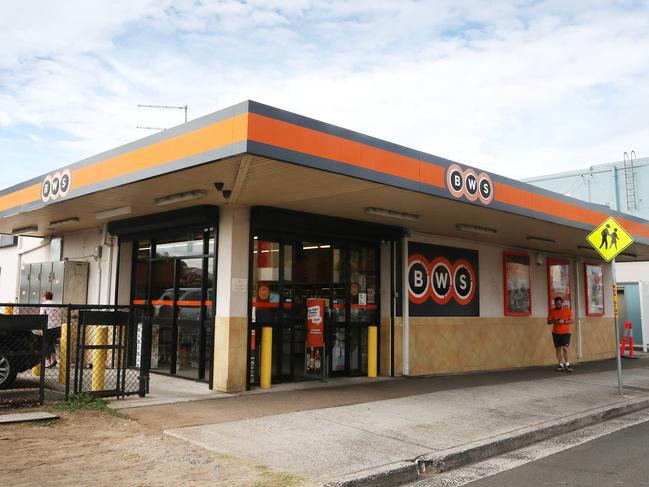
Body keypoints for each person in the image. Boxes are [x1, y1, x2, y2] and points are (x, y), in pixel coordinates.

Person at [547, 296, 574, 372]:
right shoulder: (552, 311)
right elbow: (548, 322)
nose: (558, 305)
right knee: (558, 349)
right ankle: (560, 365)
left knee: (565, 348)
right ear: (554, 304)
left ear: (561, 303)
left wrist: (564, 321)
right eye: (556, 303)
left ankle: (568, 365)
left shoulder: (567, 310)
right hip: (556, 333)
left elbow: (572, 321)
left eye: (559, 303)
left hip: (566, 332)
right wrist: (554, 321)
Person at [40, 291, 60, 368]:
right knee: (52, 344)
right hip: (57, 327)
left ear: (45, 297)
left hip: (49, 326)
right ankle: (54, 360)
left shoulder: (44, 304)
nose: (42, 298)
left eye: (43, 297)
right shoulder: (56, 304)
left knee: (46, 344)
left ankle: (49, 363)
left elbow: (42, 315)